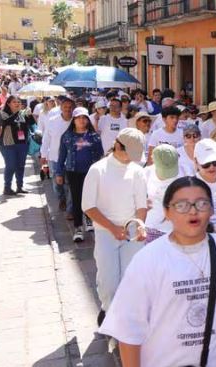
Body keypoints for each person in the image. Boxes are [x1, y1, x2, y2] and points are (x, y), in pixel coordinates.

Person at [99, 176, 216, 367]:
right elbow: (128, 328)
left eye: (201, 203)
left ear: (212, 210)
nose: (193, 211)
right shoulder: (147, 260)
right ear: (167, 212)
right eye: (181, 205)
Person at [82, 127, 148, 326]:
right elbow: (88, 206)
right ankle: (107, 309)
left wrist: (140, 225)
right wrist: (112, 228)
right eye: (129, 153)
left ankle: (124, 321)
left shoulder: (137, 171)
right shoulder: (97, 170)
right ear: (118, 146)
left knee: (131, 278)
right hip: (105, 231)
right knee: (109, 281)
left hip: (131, 231)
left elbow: (141, 204)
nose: (131, 159)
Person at [56, 107, 104, 242]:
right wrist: (59, 173)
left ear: (88, 120)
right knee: (77, 199)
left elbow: (100, 155)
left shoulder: (94, 137)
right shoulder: (67, 136)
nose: (82, 120)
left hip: (91, 173)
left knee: (91, 198)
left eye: (84, 118)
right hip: (73, 172)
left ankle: (89, 220)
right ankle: (78, 227)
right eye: (78, 118)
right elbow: (62, 156)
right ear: (74, 120)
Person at [41, 98, 75, 217]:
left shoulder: (76, 121)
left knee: (70, 184)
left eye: (70, 107)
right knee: (57, 184)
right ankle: (62, 199)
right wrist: (43, 154)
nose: (68, 109)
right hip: (55, 157)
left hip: (72, 158)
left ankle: (70, 209)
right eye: (65, 107)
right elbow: (46, 139)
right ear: (61, 108)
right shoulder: (52, 121)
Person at [144, 144, 181, 243]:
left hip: (174, 231)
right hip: (149, 229)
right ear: (154, 161)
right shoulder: (145, 173)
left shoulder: (185, 173)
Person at [0, 96, 33, 195]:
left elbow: (31, 123)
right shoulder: (3, 113)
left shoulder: (23, 113)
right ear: (8, 103)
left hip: (22, 143)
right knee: (11, 166)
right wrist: (18, 112)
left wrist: (29, 115)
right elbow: (6, 122)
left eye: (18, 102)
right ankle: (7, 187)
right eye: (14, 102)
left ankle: (19, 187)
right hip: (8, 144)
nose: (17, 103)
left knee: (20, 166)